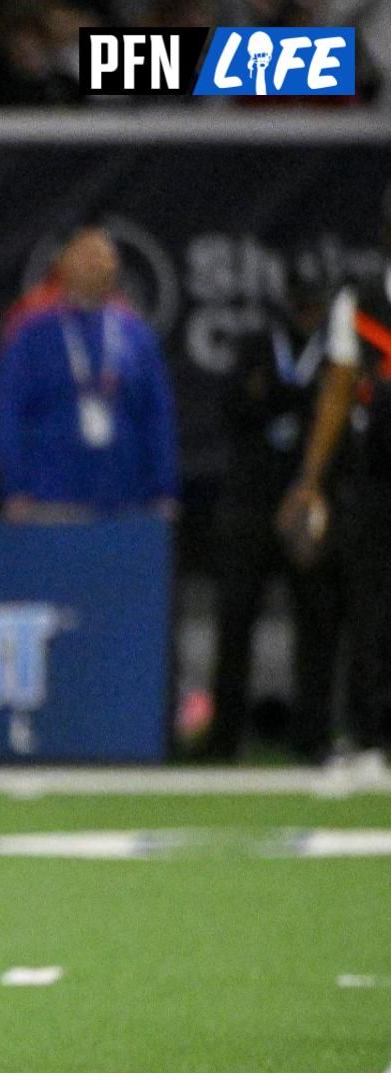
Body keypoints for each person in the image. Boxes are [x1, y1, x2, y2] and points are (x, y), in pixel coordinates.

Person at [200, 252, 343, 763]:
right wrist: (293, 402)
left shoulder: (331, 353)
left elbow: (331, 417)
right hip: (250, 503)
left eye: (313, 304)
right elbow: (235, 409)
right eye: (299, 303)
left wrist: (280, 400)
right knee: (235, 619)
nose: (306, 313)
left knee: (317, 620)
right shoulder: (257, 346)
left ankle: (313, 738)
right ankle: (223, 739)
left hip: (304, 502)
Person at [278, 182, 391, 783]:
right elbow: (338, 391)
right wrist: (310, 479)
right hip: (376, 474)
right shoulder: (362, 301)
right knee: (372, 609)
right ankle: (373, 738)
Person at [0, 221, 179, 522]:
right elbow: (9, 413)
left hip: (126, 498)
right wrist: (14, 487)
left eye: (104, 256)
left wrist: (164, 488)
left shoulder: (136, 335)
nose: (97, 263)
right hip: (49, 498)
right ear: (62, 264)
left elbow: (157, 414)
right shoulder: (30, 333)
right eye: (86, 254)